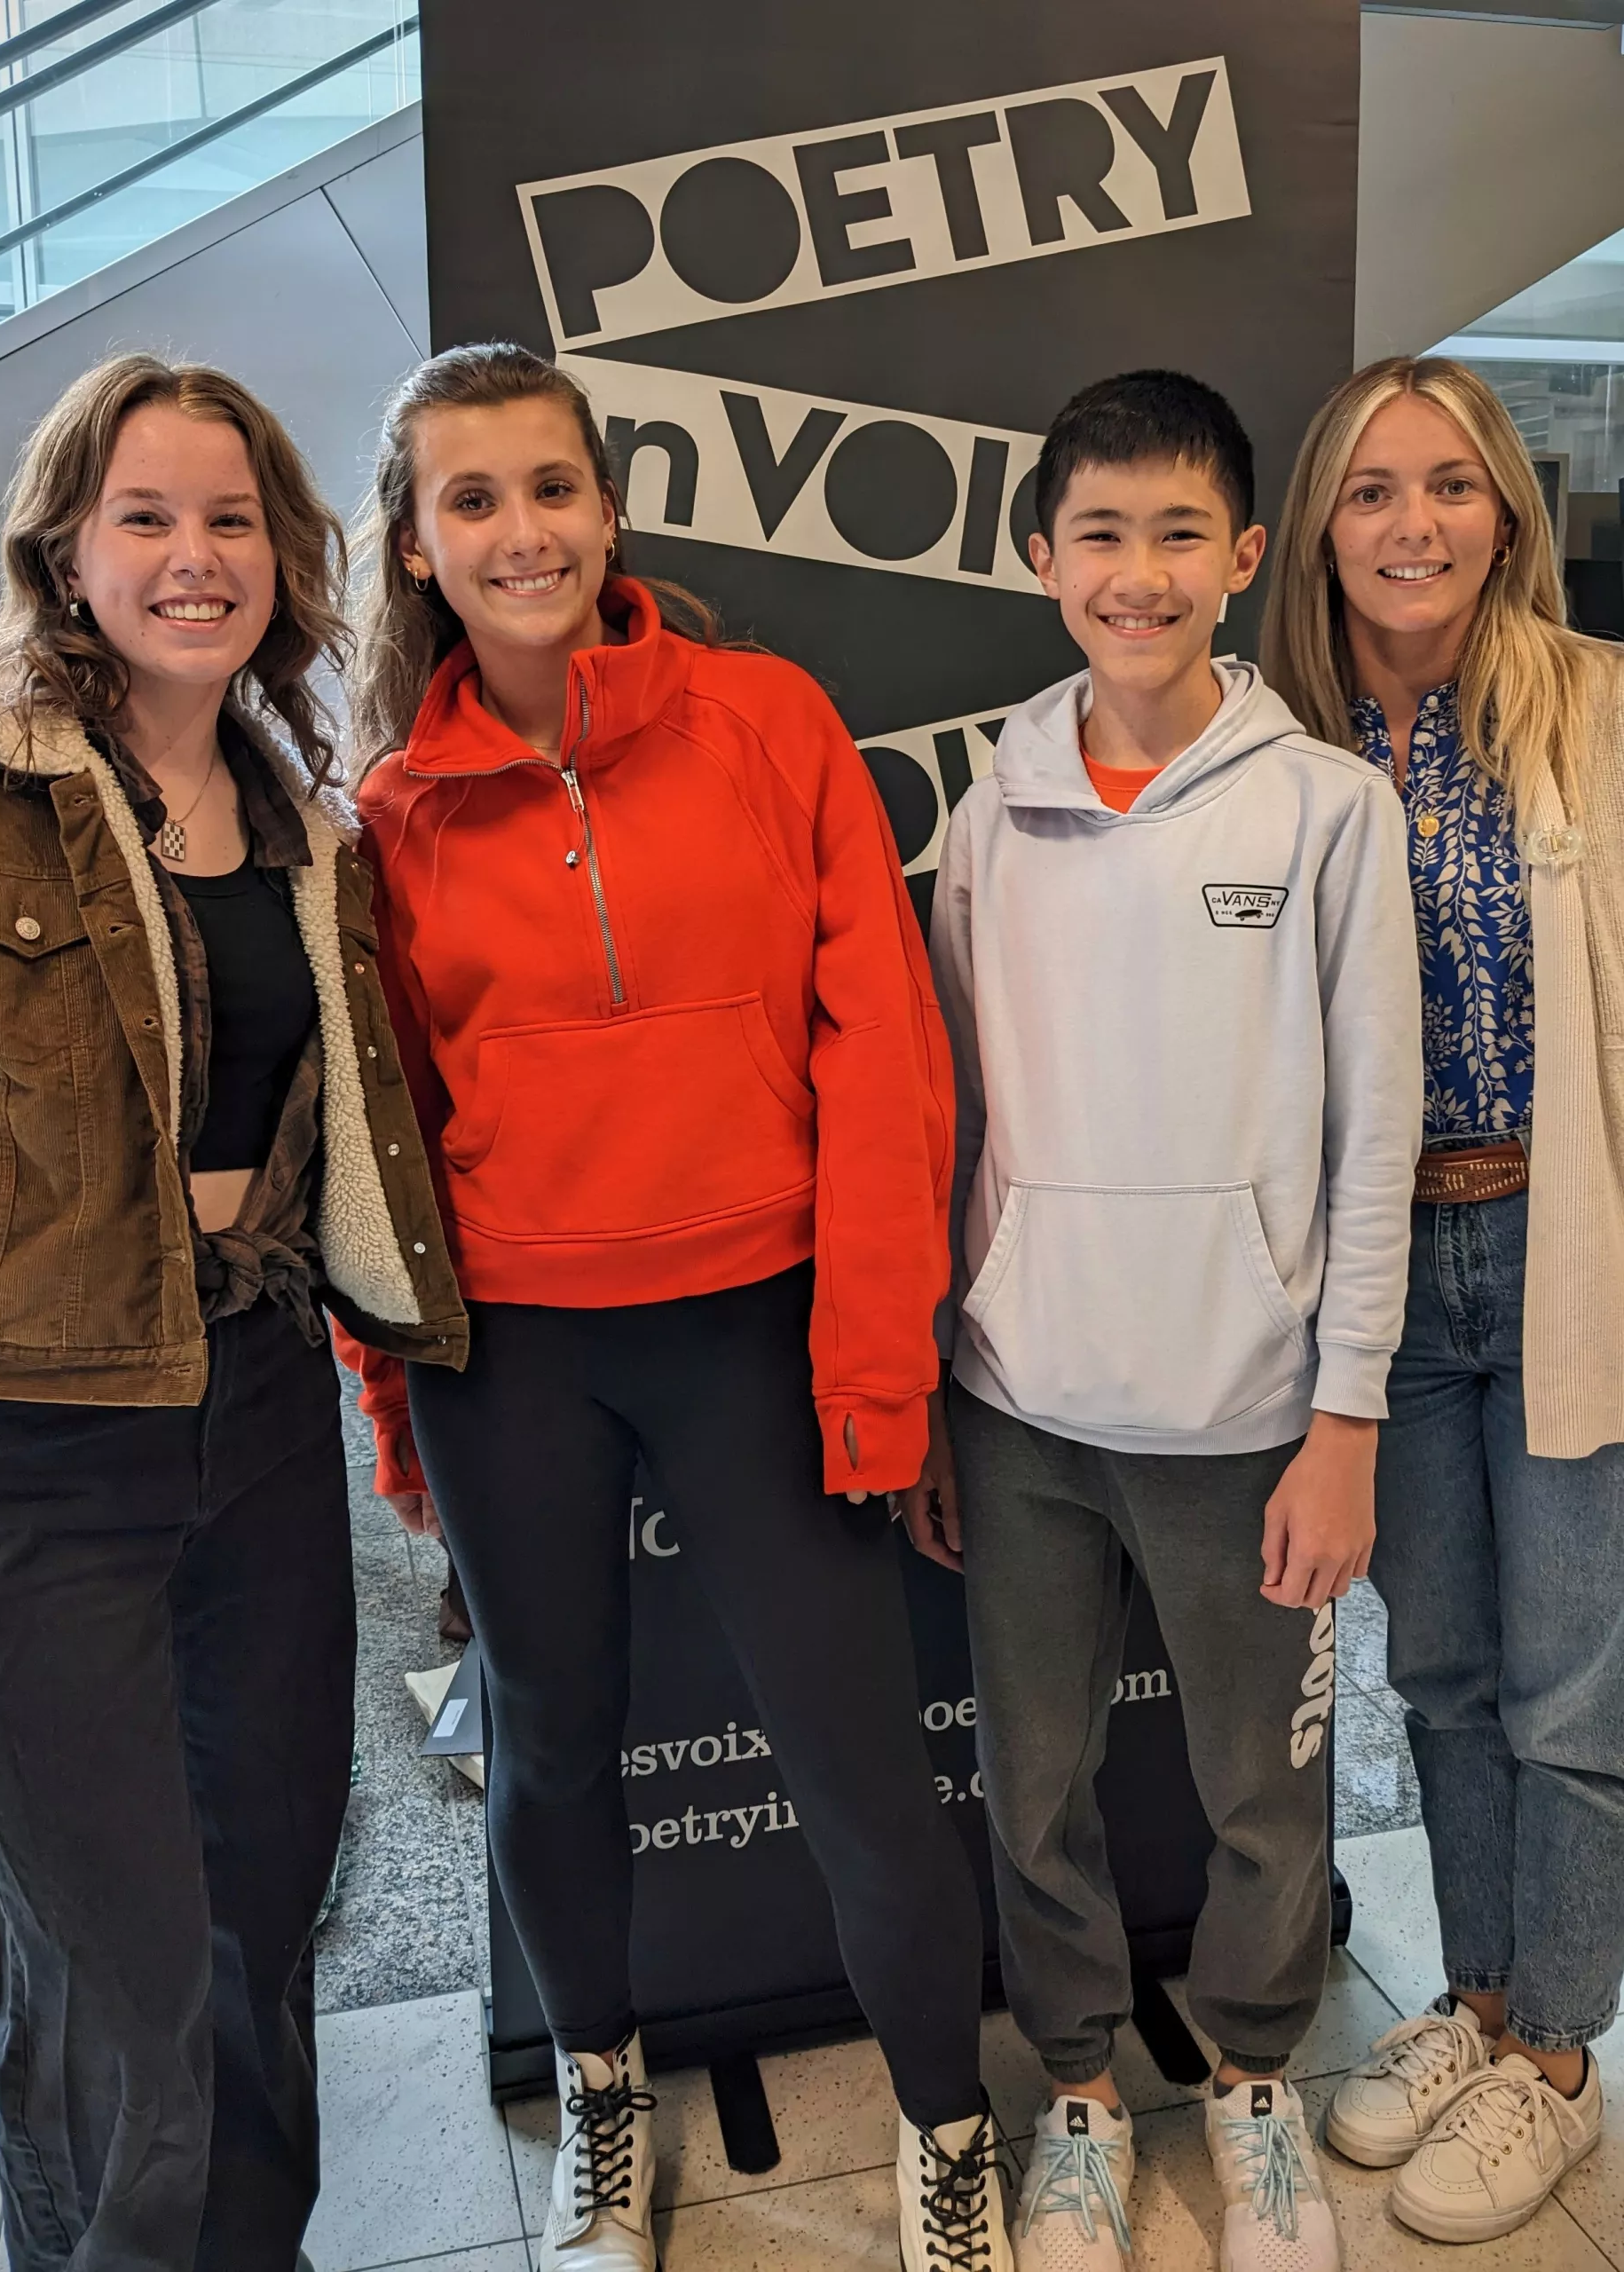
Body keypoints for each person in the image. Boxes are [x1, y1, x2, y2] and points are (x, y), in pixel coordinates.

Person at [335, 338, 1011, 2272]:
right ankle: (602, 2102)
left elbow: (888, 1056)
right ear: (417, 549)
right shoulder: (388, 809)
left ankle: (943, 2127)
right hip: (517, 1354)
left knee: (861, 1753)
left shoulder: (768, 717)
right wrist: (399, 1412)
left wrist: (880, 1362)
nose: (521, 529)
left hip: (758, 1327)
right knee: (550, 1743)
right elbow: (380, 1155)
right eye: (473, 499)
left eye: (551, 485)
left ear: (608, 506)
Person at [0, 353, 467, 2272]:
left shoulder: (298, 814)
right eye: (145, 515)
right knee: (108, 1957)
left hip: (250, 1409)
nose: (192, 554)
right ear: (68, 550)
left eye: (230, 517)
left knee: (264, 1894)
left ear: (284, 556)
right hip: (21, 1442)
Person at [914, 370, 1424, 2272]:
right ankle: (1070, 2090)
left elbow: (1375, 1129)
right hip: (1022, 1404)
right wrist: (941, 1375)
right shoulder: (992, 805)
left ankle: (1255, 2075)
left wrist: (1347, 1411)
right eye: (1100, 534)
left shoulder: (1327, 810)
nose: (1138, 574)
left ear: (1243, 554)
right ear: (1042, 555)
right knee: (1032, 1786)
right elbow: (956, 1115)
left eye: (1177, 533)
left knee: (1261, 1790)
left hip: (1252, 1413)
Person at [1265, 355, 1624, 2245]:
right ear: (1319, 525)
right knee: (1446, 1674)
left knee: (1575, 1686)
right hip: (1383, 1281)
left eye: (1455, 484)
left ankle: (1558, 2054)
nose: (1418, 524)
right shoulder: (1277, 747)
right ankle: (1476, 1997)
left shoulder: (1598, 710)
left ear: (1508, 508)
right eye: (1376, 490)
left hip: (1567, 1248)